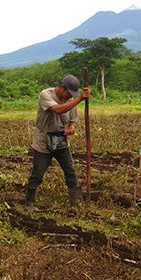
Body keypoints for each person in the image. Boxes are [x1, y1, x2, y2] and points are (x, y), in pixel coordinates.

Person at [25, 75, 91, 211]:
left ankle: (76, 203)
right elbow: (58, 110)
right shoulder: (45, 95)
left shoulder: (71, 100)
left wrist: (72, 127)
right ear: (61, 88)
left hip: (61, 140)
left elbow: (73, 120)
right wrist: (80, 98)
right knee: (38, 174)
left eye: (72, 96)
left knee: (70, 171)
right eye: (68, 94)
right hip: (43, 141)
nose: (69, 97)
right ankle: (29, 203)